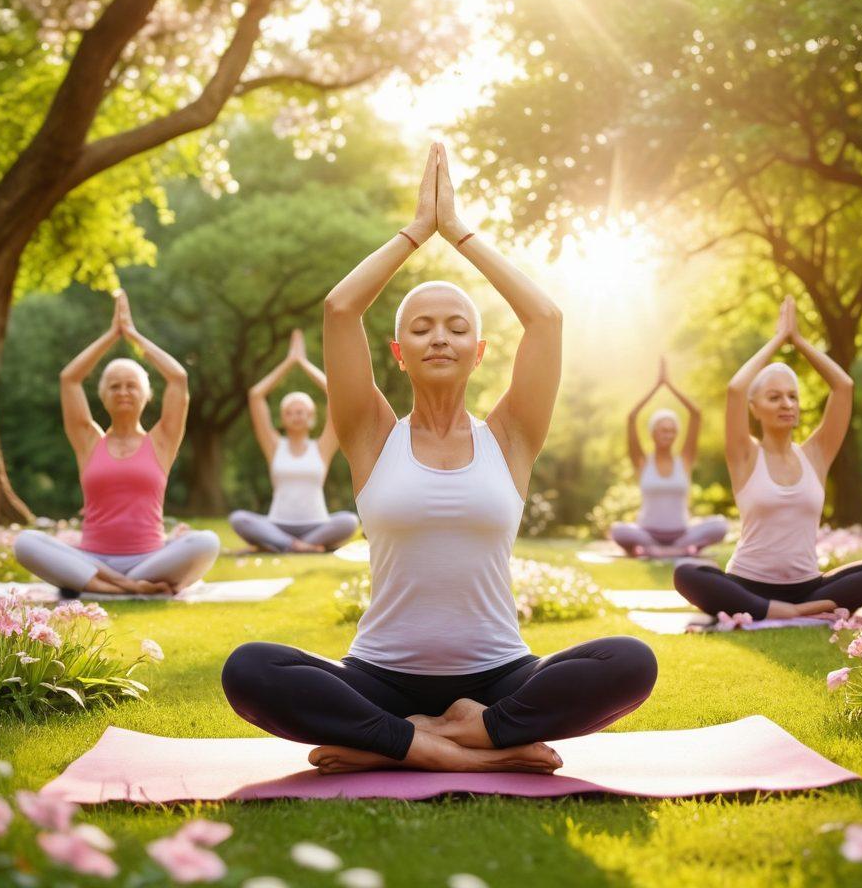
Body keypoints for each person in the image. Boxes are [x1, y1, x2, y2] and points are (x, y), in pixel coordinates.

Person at [222, 143, 657, 775]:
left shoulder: (510, 436)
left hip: (499, 679)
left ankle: (407, 741)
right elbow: (340, 310)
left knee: (629, 662)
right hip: (379, 676)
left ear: (480, 351)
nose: (440, 337)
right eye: (422, 328)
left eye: (456, 327)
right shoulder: (371, 434)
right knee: (250, 669)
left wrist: (458, 232)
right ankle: (454, 748)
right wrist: (415, 232)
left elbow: (547, 319)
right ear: (399, 352)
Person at [673, 296, 862, 620]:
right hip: (746, 585)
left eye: (793, 396)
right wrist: (778, 340)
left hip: (809, 586)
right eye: (774, 397)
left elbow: (844, 386)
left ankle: (789, 609)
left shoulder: (816, 455)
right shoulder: (745, 455)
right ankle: (780, 610)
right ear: (756, 408)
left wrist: (800, 341)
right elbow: (737, 389)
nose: (787, 404)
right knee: (686, 573)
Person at [14, 292, 219, 595]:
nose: (123, 391)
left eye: (131, 385)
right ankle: (126, 587)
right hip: (92, 557)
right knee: (25, 543)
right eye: (114, 385)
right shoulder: (87, 441)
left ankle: (100, 585)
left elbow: (178, 378)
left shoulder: (161, 441)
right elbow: (69, 379)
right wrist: (112, 335)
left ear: (146, 395)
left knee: (207, 542)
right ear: (103, 395)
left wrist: (133, 335)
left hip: (149, 559)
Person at [228, 330, 358, 553]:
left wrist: (304, 363)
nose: (297, 415)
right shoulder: (274, 446)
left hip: (317, 523)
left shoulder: (322, 447)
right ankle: (298, 546)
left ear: (311, 418)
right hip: (278, 523)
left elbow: (336, 392)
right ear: (283, 419)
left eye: (302, 411)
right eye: (291, 412)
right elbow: (256, 395)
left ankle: (279, 545)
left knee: (349, 521)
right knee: (239, 518)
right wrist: (289, 362)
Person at [609, 357, 729, 558]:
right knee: (618, 530)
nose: (668, 434)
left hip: (682, 533)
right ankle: (676, 550)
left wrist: (670, 385)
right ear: (652, 433)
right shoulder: (642, 462)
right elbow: (631, 417)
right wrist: (656, 387)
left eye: (672, 431)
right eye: (663, 430)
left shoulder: (684, 460)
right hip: (647, 533)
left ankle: (664, 550)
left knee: (720, 526)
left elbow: (696, 414)